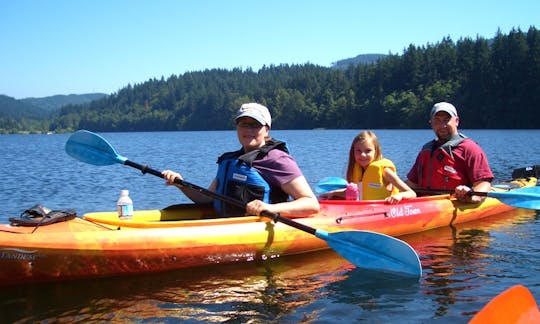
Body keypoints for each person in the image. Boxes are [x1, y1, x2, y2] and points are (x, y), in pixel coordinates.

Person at [162, 102, 320, 217]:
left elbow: (311, 204)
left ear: (266, 129)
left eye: (255, 125)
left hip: (258, 228)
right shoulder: (230, 160)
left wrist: (270, 208)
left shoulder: (277, 160)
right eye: (243, 124)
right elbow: (207, 198)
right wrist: (181, 184)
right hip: (226, 225)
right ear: (237, 128)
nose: (248, 130)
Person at [406, 102, 493, 203]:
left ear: (456, 121)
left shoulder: (470, 149)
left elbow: (483, 184)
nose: (442, 125)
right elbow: (412, 184)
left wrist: (472, 197)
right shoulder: (426, 151)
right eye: (437, 120)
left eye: (446, 120)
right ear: (431, 123)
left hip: (457, 202)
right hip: (425, 204)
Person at [321, 130, 416, 204]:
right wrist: (334, 193)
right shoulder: (357, 170)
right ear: (353, 152)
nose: (362, 155)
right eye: (358, 151)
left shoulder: (385, 171)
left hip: (384, 211)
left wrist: (400, 196)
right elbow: (359, 192)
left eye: (368, 151)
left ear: (376, 151)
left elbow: (411, 193)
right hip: (365, 209)